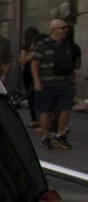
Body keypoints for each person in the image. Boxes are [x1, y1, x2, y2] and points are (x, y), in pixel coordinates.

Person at [30, 18, 81, 149]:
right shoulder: (42, 44)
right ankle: (45, 136)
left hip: (65, 84)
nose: (66, 30)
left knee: (66, 109)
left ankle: (59, 134)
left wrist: (73, 81)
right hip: (46, 84)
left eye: (66, 28)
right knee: (45, 111)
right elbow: (34, 64)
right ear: (54, 30)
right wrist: (37, 81)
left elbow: (74, 66)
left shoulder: (69, 45)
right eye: (63, 28)